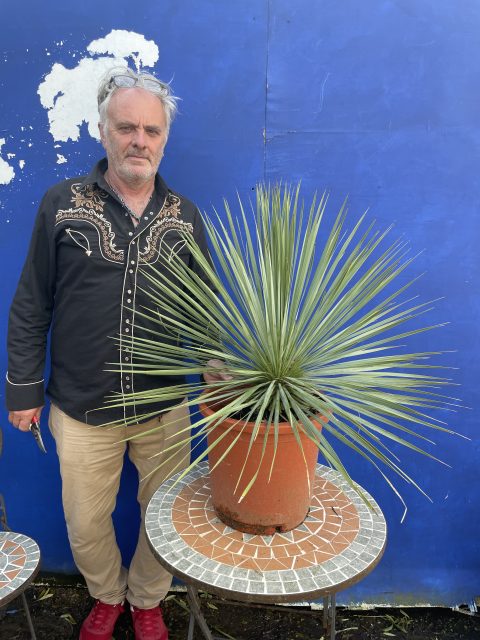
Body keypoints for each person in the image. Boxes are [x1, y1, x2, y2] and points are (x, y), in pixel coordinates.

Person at [6, 66, 215, 640]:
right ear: (103, 132)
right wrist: (23, 389)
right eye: (126, 128)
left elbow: (204, 313)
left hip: (163, 408)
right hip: (80, 406)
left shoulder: (185, 217)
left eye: (151, 130)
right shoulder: (60, 205)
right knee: (85, 520)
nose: (138, 141)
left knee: (165, 518)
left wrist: (217, 385)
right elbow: (32, 302)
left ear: (164, 139)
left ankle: (146, 600)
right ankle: (106, 595)